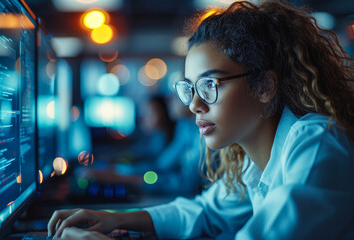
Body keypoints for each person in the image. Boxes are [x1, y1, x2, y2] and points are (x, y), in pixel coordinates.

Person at [47, 1, 354, 239]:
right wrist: (117, 218)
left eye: (210, 85)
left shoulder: (316, 143)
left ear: (264, 86)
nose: (194, 105)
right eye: (190, 88)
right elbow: (206, 211)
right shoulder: (252, 162)